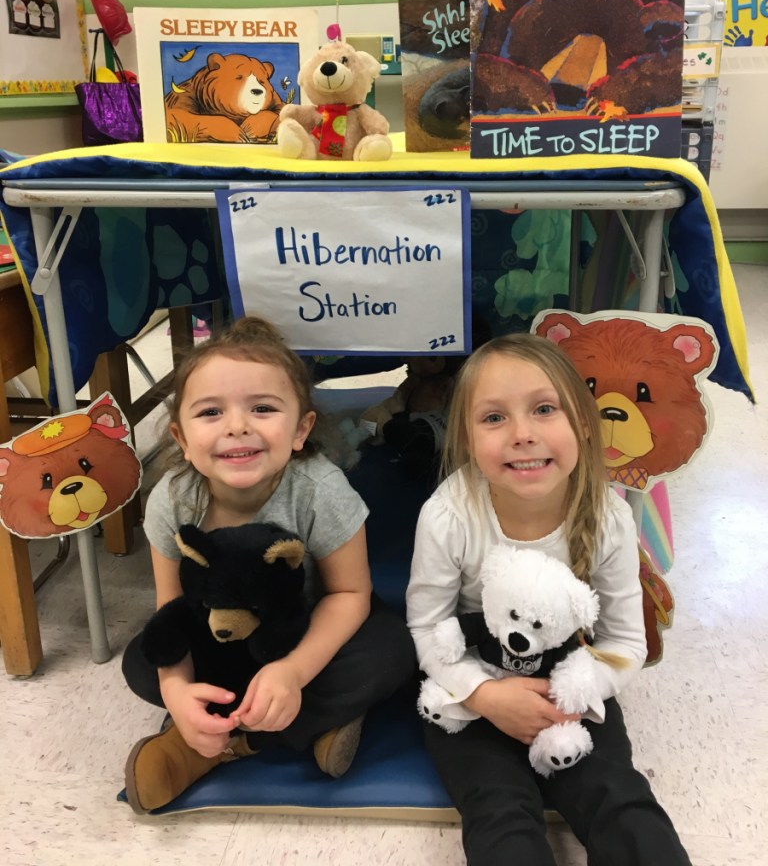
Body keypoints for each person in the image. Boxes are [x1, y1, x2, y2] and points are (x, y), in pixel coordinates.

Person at [406, 333, 691, 865]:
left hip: (567, 681)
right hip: (472, 676)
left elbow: (625, 641)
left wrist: (571, 695)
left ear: (583, 423)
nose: (522, 435)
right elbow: (426, 628)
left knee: (618, 799)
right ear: (466, 438)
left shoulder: (608, 517)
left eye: (543, 409)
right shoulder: (447, 516)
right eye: (493, 418)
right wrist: (484, 697)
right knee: (499, 809)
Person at [122, 316, 415, 814]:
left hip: (303, 633)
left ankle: (226, 746)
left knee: (395, 649)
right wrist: (176, 692)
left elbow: (350, 595)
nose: (238, 425)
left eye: (262, 408)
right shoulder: (172, 499)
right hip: (223, 641)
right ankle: (309, 727)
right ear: (183, 437)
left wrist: (293, 673)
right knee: (141, 664)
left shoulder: (321, 491)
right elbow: (170, 607)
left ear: (302, 429)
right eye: (211, 412)